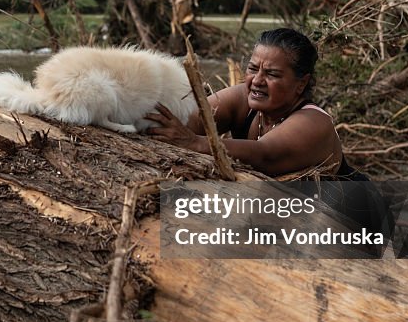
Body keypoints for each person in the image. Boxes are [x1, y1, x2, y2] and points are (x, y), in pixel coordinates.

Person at [146, 28, 391, 242]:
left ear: (301, 84)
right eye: (253, 68)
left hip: (354, 219)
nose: (257, 81)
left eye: (272, 74)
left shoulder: (313, 123)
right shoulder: (244, 96)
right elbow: (187, 117)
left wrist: (195, 143)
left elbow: (265, 155)